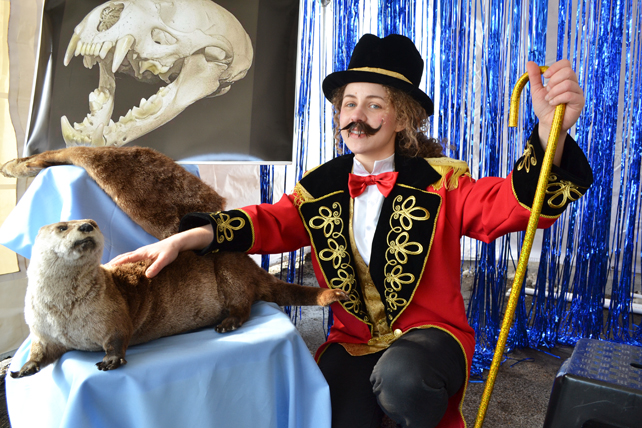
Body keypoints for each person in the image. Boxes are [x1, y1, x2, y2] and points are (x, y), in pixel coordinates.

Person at [110, 34, 593, 428]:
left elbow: (511, 207)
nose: (357, 116)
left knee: (403, 381)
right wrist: (187, 237)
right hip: (353, 338)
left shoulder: (441, 182)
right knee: (335, 414)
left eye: (374, 105)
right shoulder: (319, 187)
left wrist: (553, 135)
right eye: (349, 104)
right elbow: (269, 222)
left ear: (402, 117)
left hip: (429, 337)